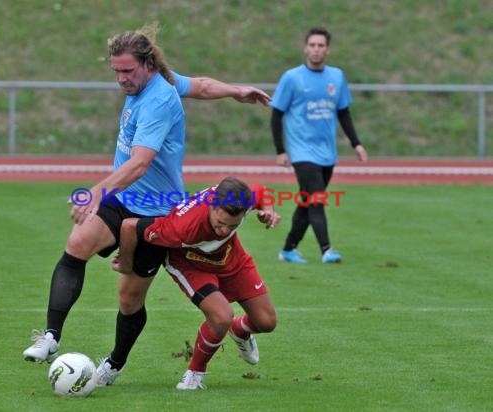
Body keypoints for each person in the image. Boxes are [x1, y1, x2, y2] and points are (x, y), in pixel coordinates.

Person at [22, 22, 271, 387]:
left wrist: (95, 193)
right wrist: (236, 91)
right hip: (122, 198)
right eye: (116, 71)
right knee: (76, 245)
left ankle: (115, 363)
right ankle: (50, 336)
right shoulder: (159, 81)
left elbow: (139, 164)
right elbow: (199, 85)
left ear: (148, 64)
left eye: (127, 71)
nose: (121, 79)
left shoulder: (158, 100)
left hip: (155, 213)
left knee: (129, 300)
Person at [113, 176, 280, 390]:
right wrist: (126, 262)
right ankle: (195, 373)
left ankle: (239, 329)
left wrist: (269, 211)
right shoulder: (182, 226)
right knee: (221, 317)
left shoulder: (240, 199)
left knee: (267, 322)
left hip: (232, 259)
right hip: (190, 265)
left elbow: (263, 191)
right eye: (220, 224)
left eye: (232, 226)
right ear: (212, 205)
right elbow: (129, 226)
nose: (224, 231)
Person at [271, 26, 368, 265]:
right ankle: (327, 250)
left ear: (327, 50)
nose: (316, 50)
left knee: (307, 202)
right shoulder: (292, 78)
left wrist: (356, 143)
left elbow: (343, 113)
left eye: (320, 46)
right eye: (312, 45)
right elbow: (276, 114)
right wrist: (280, 150)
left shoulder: (336, 77)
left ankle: (288, 249)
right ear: (305, 48)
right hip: (302, 152)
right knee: (316, 199)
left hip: (327, 153)